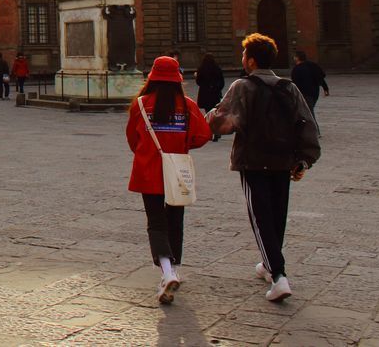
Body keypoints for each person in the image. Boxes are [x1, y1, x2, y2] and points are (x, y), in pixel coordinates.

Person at [208, 33, 321, 303]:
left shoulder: (242, 87)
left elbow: (221, 123)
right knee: (277, 215)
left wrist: (208, 117)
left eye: (244, 55)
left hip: (254, 160)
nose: (242, 59)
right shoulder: (288, 87)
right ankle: (268, 265)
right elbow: (307, 124)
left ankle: (279, 276)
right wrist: (304, 159)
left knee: (260, 218)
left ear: (251, 61)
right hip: (283, 161)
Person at [126, 56, 211, 305]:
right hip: (177, 172)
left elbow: (133, 139)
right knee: (175, 221)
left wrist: (147, 153)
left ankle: (166, 271)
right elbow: (202, 136)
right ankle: (174, 268)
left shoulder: (141, 105)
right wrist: (182, 145)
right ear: (177, 80)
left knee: (155, 223)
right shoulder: (187, 106)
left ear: (152, 77)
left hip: (148, 170)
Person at [290, 50, 329, 118]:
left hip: (304, 94)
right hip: (315, 93)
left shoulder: (297, 69)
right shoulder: (313, 65)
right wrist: (326, 88)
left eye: (294, 56)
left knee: (309, 114)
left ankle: (313, 128)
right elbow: (320, 77)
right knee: (308, 111)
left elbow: (295, 83)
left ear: (297, 58)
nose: (294, 58)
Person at [194, 54, 225, 140]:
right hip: (214, 94)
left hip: (205, 94)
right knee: (215, 113)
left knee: (208, 114)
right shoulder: (217, 68)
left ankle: (210, 132)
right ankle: (217, 132)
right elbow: (222, 82)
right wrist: (217, 88)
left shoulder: (201, 69)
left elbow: (198, 82)